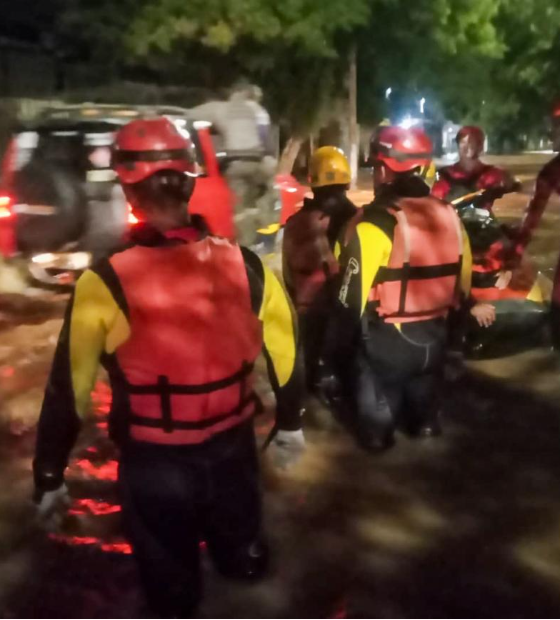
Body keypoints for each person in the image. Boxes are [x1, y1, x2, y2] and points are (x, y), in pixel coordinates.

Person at [33, 117, 305, 619]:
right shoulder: (247, 265)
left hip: (154, 464)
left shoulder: (104, 282)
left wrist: (49, 472)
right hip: (232, 454)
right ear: (189, 181)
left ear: (127, 188)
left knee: (171, 596)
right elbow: (287, 353)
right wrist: (290, 423)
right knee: (244, 566)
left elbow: (68, 390)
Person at [327, 126, 495, 452]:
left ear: (384, 169)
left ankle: (381, 430)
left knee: (376, 439)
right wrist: (455, 347)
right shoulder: (450, 217)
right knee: (424, 429)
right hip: (435, 345)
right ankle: (425, 420)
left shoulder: (373, 224)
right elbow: (462, 290)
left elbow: (347, 304)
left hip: (387, 349)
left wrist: (330, 363)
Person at [283, 147, 358, 393]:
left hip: (309, 307)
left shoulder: (296, 224)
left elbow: (287, 274)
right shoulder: (362, 220)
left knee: (310, 361)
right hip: (351, 308)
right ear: (347, 182)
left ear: (312, 183)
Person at [190, 83, 276, 245]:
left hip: (236, 165)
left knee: (238, 208)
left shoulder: (221, 108)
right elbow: (265, 138)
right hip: (258, 163)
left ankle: (242, 244)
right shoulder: (256, 111)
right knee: (265, 195)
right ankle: (264, 229)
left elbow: (192, 115)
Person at [515, 102, 560, 348]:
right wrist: (518, 249)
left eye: (558, 127)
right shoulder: (552, 171)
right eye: (554, 126)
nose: (553, 132)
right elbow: (534, 214)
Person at [433, 126, 520, 210]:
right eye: (463, 142)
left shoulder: (496, 175)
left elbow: (516, 196)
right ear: (458, 145)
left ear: (481, 146)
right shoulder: (443, 175)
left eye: (472, 142)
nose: (468, 146)